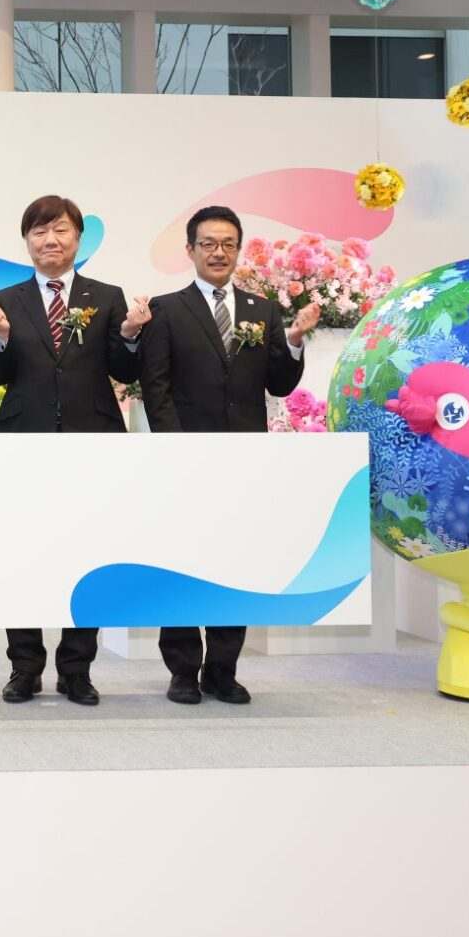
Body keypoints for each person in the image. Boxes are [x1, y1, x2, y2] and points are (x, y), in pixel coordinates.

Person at [139, 205, 317, 705]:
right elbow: (156, 387)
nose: (218, 252)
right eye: (208, 244)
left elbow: (278, 383)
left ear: (238, 250)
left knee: (235, 562)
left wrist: (294, 341)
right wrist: (177, 449)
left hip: (244, 460)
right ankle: (182, 670)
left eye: (228, 244)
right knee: (181, 562)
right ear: (190, 250)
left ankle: (222, 669)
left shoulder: (263, 310)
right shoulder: (166, 310)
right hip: (185, 460)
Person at [0, 195, 150, 707]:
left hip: (92, 441)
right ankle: (24, 667)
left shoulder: (108, 295)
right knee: (21, 554)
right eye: (39, 232)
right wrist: (0, 335)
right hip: (24, 442)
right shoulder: (5, 300)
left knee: (88, 553)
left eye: (60, 230)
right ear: (26, 241)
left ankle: (76, 670)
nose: (49, 240)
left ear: (78, 238)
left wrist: (129, 334)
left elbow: (124, 369)